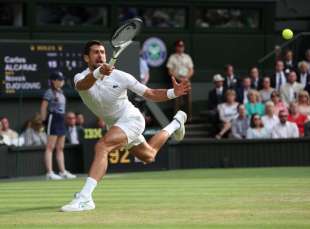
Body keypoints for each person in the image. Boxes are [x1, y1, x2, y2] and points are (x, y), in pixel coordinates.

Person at [61, 40, 190, 212]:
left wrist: (174, 92)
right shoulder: (80, 77)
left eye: (102, 52)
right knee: (149, 156)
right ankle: (176, 123)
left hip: (131, 119)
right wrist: (99, 72)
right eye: (95, 52)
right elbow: (83, 85)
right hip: (114, 124)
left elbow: (149, 93)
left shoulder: (121, 76)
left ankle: (85, 198)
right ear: (86, 58)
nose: (100, 55)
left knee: (102, 146)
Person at [40, 71, 76, 180]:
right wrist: (44, 120)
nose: (62, 82)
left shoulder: (61, 92)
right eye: (59, 80)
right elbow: (43, 107)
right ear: (53, 81)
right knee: (50, 147)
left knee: (60, 147)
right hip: (53, 118)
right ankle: (50, 173)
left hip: (61, 119)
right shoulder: (49, 92)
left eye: (62, 80)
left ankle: (62, 171)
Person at [166, 40, 194, 121]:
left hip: (186, 80)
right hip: (177, 80)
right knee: (176, 100)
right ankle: (176, 118)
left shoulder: (187, 57)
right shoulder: (172, 57)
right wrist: (178, 78)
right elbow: (169, 71)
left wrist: (186, 78)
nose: (180, 48)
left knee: (188, 99)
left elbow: (191, 70)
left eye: (182, 46)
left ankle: (189, 117)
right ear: (176, 47)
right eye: (179, 46)